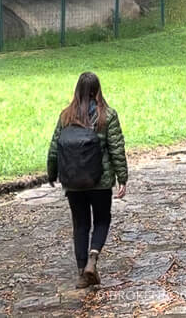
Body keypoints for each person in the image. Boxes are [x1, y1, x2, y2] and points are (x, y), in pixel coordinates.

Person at [47, 71, 128, 288]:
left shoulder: (65, 116)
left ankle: (82, 272)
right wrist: (123, 178)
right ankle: (93, 258)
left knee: (80, 224)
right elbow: (116, 148)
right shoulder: (107, 115)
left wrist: (52, 173)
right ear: (97, 90)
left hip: (73, 181)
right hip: (100, 181)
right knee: (102, 220)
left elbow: (54, 147)